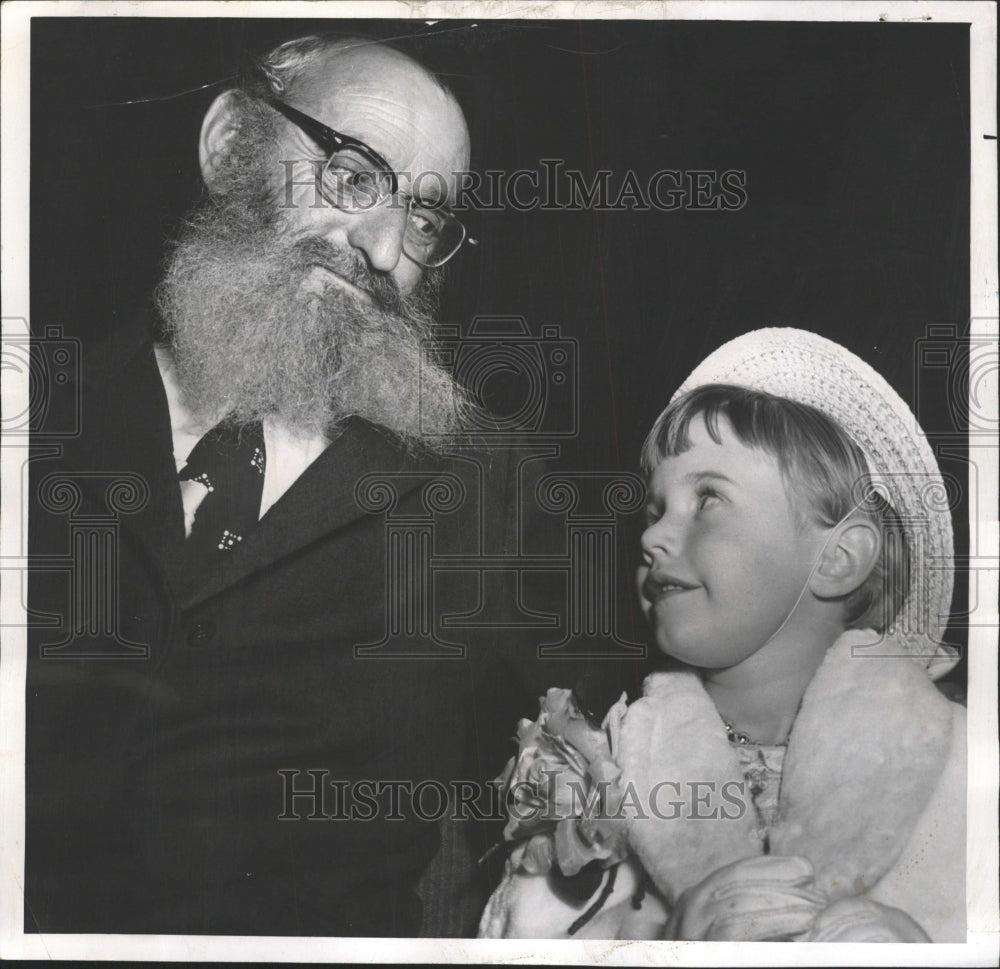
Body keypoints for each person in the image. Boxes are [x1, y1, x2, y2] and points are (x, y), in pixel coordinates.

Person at [26, 35, 522, 937]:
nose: (380, 247)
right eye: (351, 174)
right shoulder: (40, 417)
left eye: (423, 218)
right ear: (230, 148)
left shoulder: (475, 502)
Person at [479, 327, 965, 941]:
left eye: (707, 499)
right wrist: (669, 947)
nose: (651, 537)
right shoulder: (597, 769)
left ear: (840, 558)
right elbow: (515, 934)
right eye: (656, 511)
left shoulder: (964, 765)